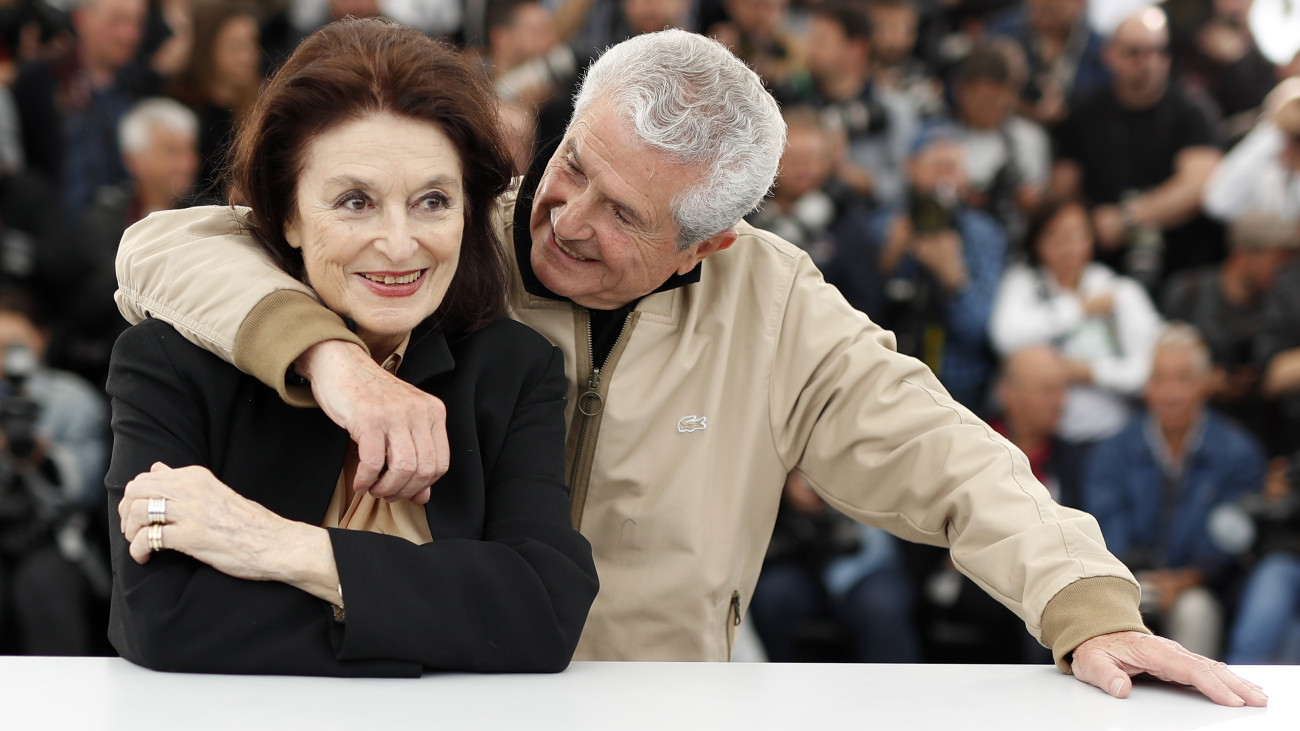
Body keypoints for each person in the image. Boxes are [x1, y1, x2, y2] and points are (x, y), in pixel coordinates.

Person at [116, 28, 1265, 705]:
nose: (562, 218)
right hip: (429, 685)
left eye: (622, 213)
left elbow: (950, 456)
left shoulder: (775, 309)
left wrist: (1082, 602)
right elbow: (177, 243)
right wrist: (330, 357)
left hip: (654, 697)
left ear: (710, 239)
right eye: (570, 164)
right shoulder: (451, 233)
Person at [105, 18, 597, 676]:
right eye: (355, 201)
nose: (399, 244)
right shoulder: (170, 359)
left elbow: (543, 612)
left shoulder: (512, 368)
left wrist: (276, 547)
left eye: (432, 200)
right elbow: (161, 620)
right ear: (287, 215)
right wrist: (434, 616)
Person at [1084, 324, 1266, 657]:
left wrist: (1185, 580)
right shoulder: (1113, 451)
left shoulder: (1237, 453)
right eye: (1159, 379)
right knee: (1100, 611)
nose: (1170, 393)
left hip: (1200, 587)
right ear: (1146, 387)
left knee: (1195, 611)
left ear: (1205, 384)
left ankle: (1197, 704)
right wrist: (1136, 578)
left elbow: (1233, 537)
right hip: (1125, 582)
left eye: (1183, 379)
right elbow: (1104, 525)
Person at [1051, 6, 1224, 291]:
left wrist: (1128, 218)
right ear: (1110, 54)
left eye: (1159, 51)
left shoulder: (1192, 109)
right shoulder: (1086, 111)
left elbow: (1200, 183)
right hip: (1099, 267)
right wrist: (1088, 224)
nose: (1149, 62)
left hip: (1182, 265)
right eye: (1135, 52)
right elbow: (1063, 188)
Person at [989, 197, 1163, 446]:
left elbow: (1147, 371)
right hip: (1043, 439)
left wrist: (1089, 372)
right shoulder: (1023, 283)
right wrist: (1078, 308)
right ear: (1037, 242)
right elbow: (1004, 338)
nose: (1068, 247)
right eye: (1055, 236)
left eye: (1077, 235)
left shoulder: (1116, 290)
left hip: (1111, 433)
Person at [0, 290, 110, 655]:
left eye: (14, 346)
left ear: (41, 339)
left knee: (47, 588)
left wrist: (44, 458)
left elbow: (91, 488)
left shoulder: (71, 399)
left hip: (53, 537)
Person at [872, 122, 1007, 410]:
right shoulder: (884, 226)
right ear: (912, 168)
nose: (945, 179)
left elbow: (983, 333)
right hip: (888, 373)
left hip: (958, 381)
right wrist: (888, 261)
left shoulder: (983, 233)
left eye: (953, 168)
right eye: (937, 167)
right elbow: (856, 314)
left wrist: (955, 280)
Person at [11, 0, 155, 222]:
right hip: (55, 233)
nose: (130, 34)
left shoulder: (143, 85)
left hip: (125, 233)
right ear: (81, 19)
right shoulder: (40, 80)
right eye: (117, 21)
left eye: (138, 22)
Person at [1161, 209, 1298, 437]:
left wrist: (1252, 383)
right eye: (1276, 259)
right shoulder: (1188, 292)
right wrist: (1203, 378)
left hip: (1258, 430)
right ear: (1244, 256)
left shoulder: (1281, 306)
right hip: (1192, 428)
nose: (1282, 269)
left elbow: (1274, 373)